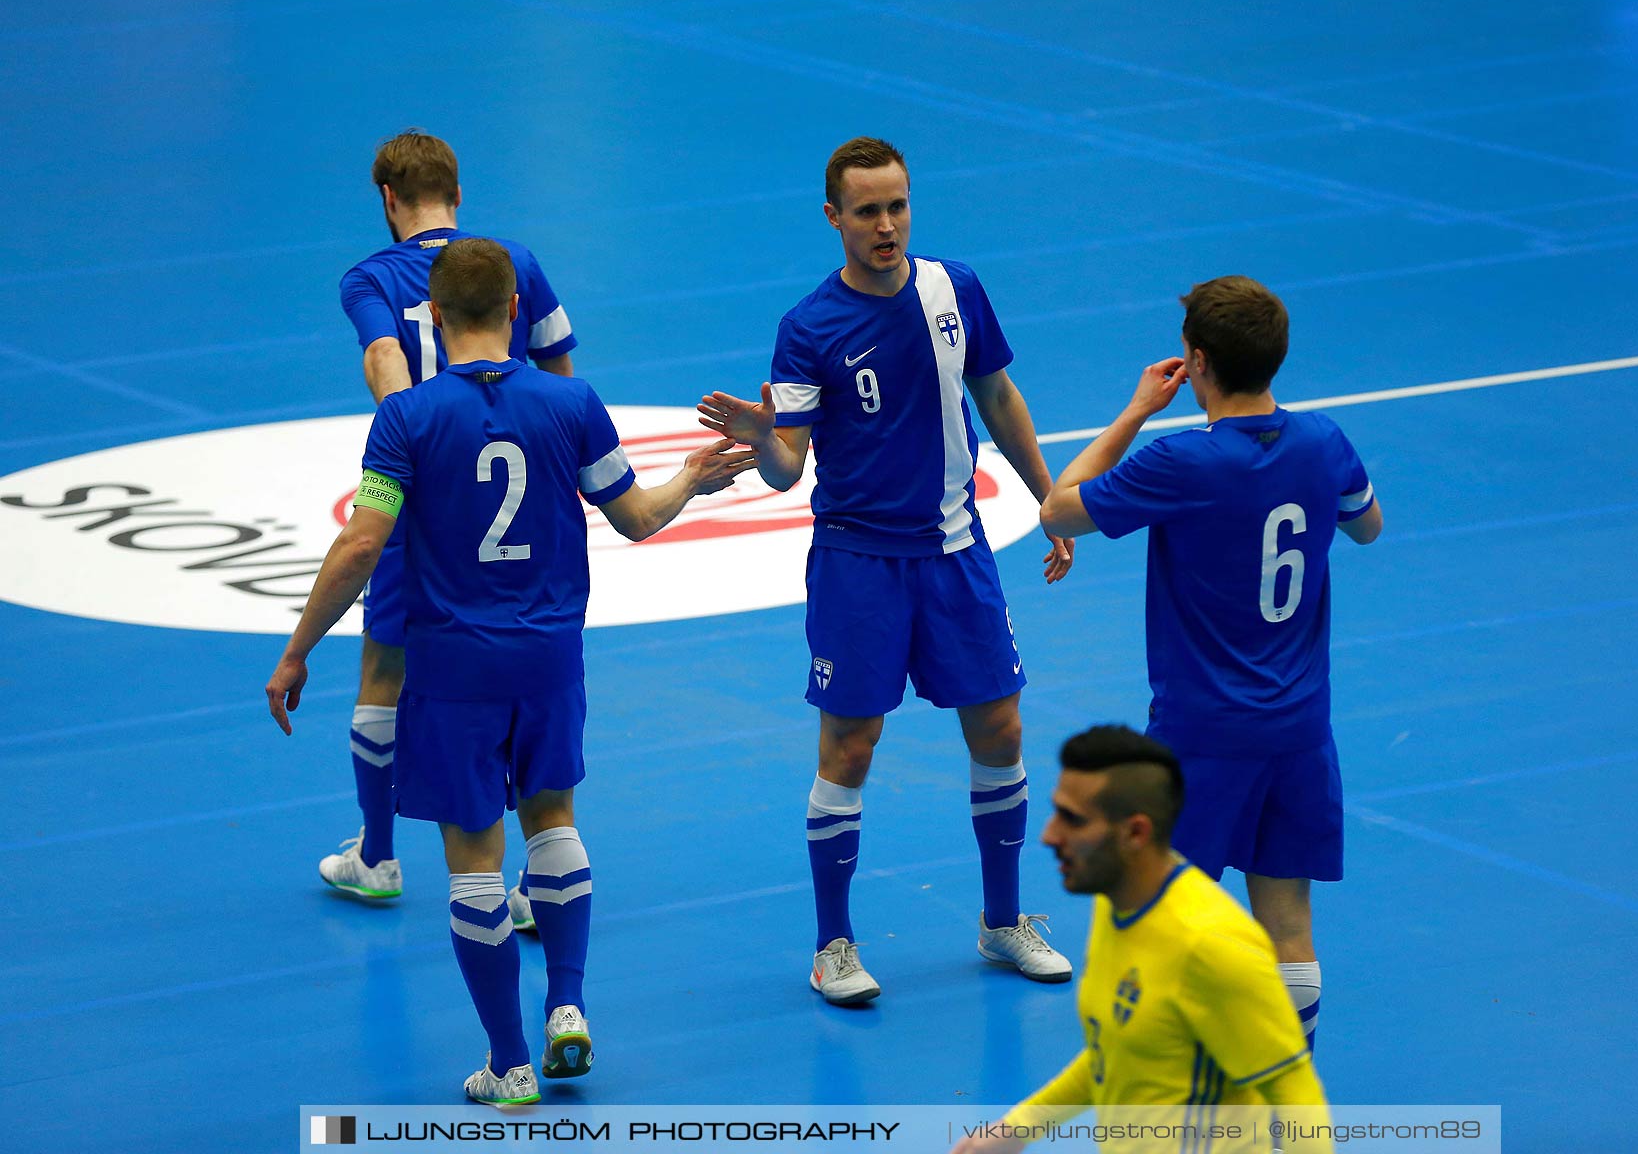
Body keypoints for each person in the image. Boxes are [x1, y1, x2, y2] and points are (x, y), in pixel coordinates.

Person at [266, 239, 752, 1105]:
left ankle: (508, 1063)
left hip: (454, 671)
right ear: (518, 313)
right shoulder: (572, 404)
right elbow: (637, 519)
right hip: (549, 661)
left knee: (474, 863)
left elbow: (363, 543)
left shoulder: (407, 420)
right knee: (554, 823)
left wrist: (300, 646)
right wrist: (690, 480)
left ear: (437, 318)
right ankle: (567, 1003)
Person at [698, 136, 1075, 1005]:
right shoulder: (809, 328)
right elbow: (789, 468)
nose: (887, 225)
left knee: (1003, 731)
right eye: (867, 210)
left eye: (898, 205)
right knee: (851, 747)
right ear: (834, 217)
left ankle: (1002, 921)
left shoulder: (955, 289)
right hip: (858, 562)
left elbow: (1000, 397)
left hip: (955, 552)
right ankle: (833, 945)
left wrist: (1050, 499)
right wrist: (763, 438)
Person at [1039, 276, 1381, 1048]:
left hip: (1203, 734)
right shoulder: (1325, 443)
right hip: (1299, 729)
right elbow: (1369, 528)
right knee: (1288, 920)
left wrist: (1134, 412)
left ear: (1195, 362)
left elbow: (1059, 506)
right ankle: (1289, 1105)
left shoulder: (1183, 464)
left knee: (1160, 919)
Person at [321, 129, 580, 909]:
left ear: (389, 201)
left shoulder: (368, 280)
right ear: (458, 195)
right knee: (537, 675)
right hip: (519, 504)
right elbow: (562, 372)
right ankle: (542, 875)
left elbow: (383, 362)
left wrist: (416, 434)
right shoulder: (512, 264)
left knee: (385, 671)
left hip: (427, 504)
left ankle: (377, 854)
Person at [951, 726, 1328, 1154]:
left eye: (1072, 819)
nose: (1050, 836)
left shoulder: (1210, 946)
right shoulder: (1117, 904)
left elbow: (1295, 1095)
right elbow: (1117, 1053)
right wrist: (1016, 1130)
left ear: (1135, 833)